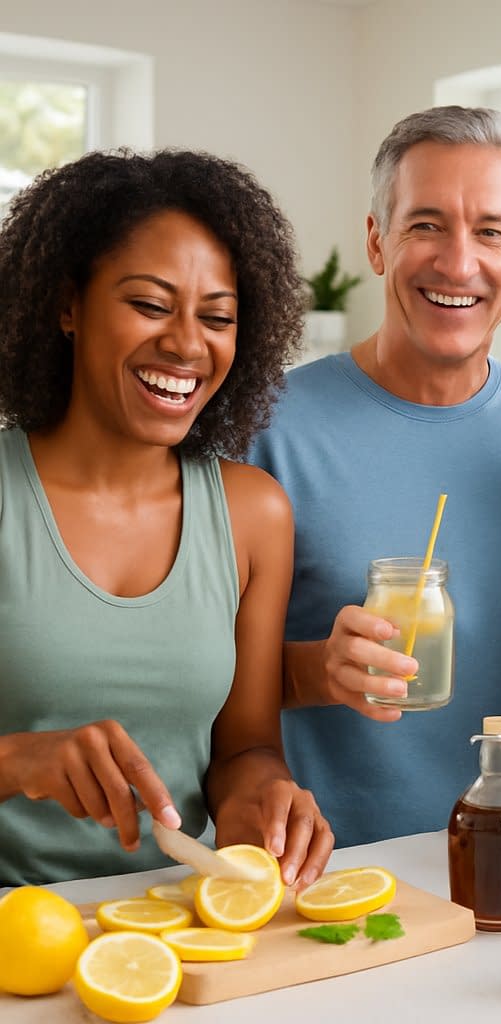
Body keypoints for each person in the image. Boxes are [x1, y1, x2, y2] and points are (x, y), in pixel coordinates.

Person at [250, 106, 501, 846]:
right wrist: (320, 670)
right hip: (323, 875)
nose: (459, 262)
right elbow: (201, 684)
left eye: (491, 232)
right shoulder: (269, 427)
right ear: (378, 243)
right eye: (427, 224)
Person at [0, 149, 333, 888]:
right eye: (150, 305)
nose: (187, 344)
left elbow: (244, 748)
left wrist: (265, 799)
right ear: (66, 305)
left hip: (177, 927)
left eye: (217, 317)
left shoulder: (253, 513)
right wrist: (19, 760)